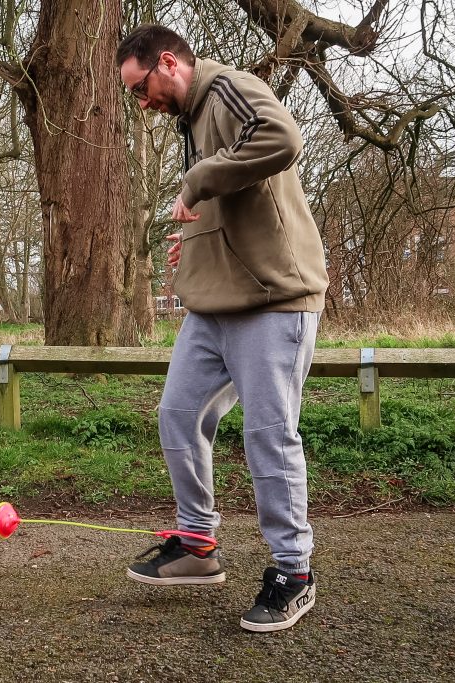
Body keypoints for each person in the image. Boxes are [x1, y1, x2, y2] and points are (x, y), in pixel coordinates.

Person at [116, 25, 330, 633]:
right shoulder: (191, 123)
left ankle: (293, 571)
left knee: (269, 433)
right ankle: (198, 544)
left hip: (272, 301)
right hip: (213, 308)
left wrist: (198, 180)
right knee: (178, 417)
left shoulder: (229, 88)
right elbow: (230, 194)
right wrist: (197, 242)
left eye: (142, 88)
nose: (143, 103)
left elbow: (282, 138)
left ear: (167, 63)